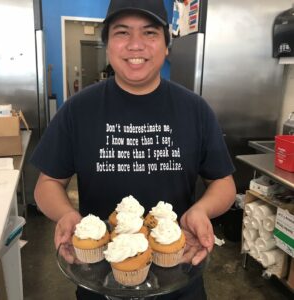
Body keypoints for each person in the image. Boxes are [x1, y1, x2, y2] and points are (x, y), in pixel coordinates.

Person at [30, 0, 236, 299]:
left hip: (179, 275)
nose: (135, 45)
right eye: (122, 33)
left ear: (166, 46)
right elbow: (47, 183)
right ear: (108, 44)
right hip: (100, 279)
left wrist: (202, 210)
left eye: (150, 33)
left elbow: (223, 182)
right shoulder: (78, 109)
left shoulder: (195, 109)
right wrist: (66, 215)